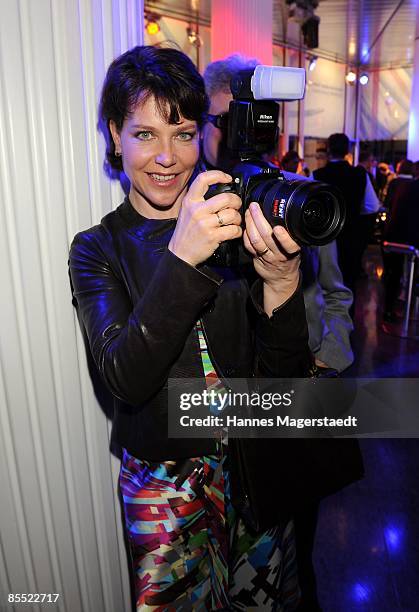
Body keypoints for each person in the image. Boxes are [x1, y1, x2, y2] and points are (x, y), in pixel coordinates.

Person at [202, 54, 361, 612]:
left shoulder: (300, 199)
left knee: (300, 548)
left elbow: (339, 293)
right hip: (231, 416)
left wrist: (329, 364)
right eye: (227, 120)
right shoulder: (192, 206)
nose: (243, 133)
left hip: (302, 394)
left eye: (254, 118)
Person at [313, 133, 367, 313]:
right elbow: (371, 206)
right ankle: (347, 326)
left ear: (328, 149)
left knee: (324, 284)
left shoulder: (318, 174)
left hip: (324, 237)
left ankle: (326, 327)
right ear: (348, 151)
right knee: (349, 283)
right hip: (352, 237)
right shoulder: (359, 174)